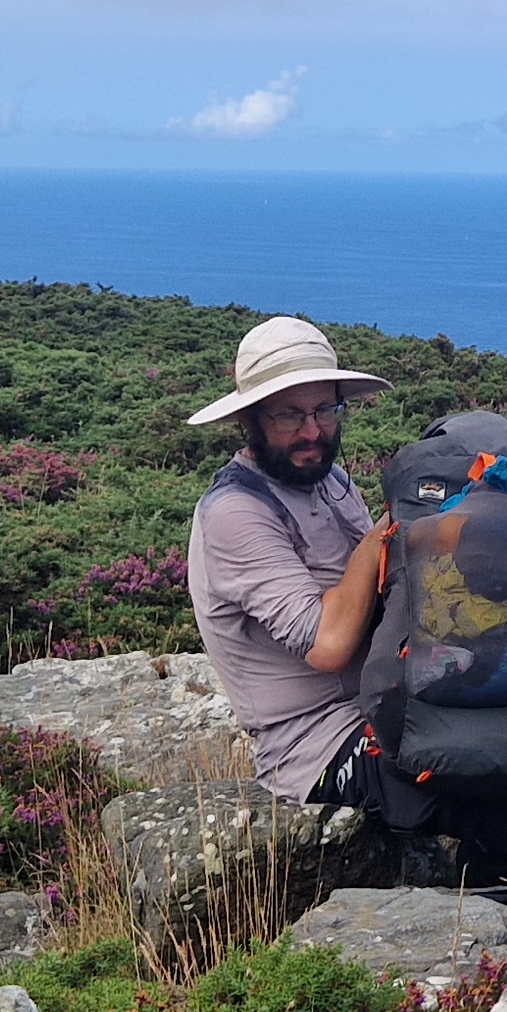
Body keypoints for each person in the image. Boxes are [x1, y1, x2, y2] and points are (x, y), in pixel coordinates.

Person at [181, 316, 395, 810]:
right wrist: (384, 531)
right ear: (251, 419)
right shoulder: (236, 511)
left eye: (325, 410)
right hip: (315, 746)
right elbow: (328, 645)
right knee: (475, 777)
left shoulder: (330, 481)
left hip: (380, 703)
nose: (313, 431)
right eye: (289, 416)